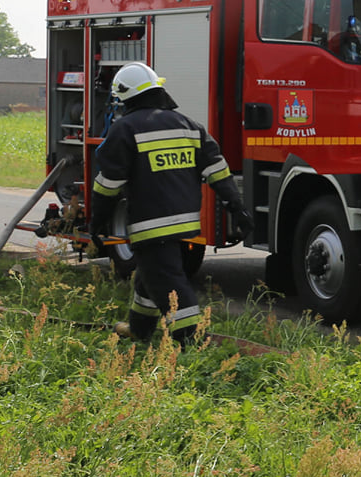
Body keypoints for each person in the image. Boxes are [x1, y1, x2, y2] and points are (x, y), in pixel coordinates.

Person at [87, 62, 250, 342]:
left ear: (124, 96)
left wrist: (97, 223)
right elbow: (218, 172)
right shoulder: (190, 126)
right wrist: (237, 207)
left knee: (168, 283)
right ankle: (140, 329)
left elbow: (107, 185)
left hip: (151, 224)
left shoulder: (124, 129)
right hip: (185, 220)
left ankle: (191, 341)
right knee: (148, 278)